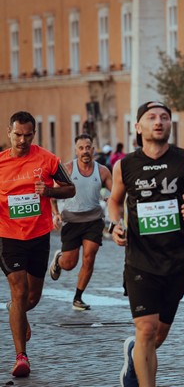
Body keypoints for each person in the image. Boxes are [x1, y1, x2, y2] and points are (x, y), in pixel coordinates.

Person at [108, 101, 184, 387]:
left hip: (177, 259)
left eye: (164, 117)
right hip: (140, 259)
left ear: (170, 124)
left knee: (158, 336)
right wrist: (115, 225)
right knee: (145, 328)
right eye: (152, 117)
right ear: (138, 126)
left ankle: (135, 358)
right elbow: (114, 202)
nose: (159, 122)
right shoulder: (125, 165)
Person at [0, 111, 75, 377]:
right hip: (8, 237)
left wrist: (50, 191)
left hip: (39, 236)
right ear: (9, 131)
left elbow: (71, 188)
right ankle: (21, 357)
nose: (22, 140)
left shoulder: (48, 159)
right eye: (17, 134)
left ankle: (17, 312)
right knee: (19, 292)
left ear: (34, 134)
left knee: (32, 297)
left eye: (27, 135)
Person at [48, 133, 113, 310]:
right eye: (81, 148)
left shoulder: (103, 171)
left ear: (93, 150)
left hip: (93, 219)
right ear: (76, 151)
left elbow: (115, 192)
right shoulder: (68, 169)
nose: (85, 151)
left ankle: (78, 297)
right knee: (69, 264)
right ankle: (59, 258)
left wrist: (110, 198)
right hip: (71, 220)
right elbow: (52, 194)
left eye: (88, 147)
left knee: (89, 257)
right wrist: (56, 214)